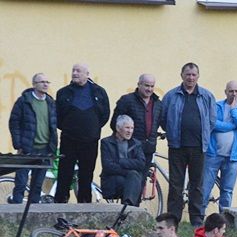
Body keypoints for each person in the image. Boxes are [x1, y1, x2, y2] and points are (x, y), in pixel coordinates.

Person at [160, 62, 217, 227]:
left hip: (199, 147)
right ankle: (173, 219)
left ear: (198, 76)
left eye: (193, 75)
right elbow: (164, 119)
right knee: (176, 184)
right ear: (182, 75)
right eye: (187, 74)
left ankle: (197, 219)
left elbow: (212, 120)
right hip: (177, 146)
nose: (190, 78)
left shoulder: (207, 96)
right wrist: (172, 132)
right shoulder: (171, 96)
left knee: (197, 184)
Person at [55, 63, 110, 203]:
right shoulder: (63, 92)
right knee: (64, 173)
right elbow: (57, 116)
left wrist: (93, 128)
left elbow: (105, 115)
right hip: (69, 140)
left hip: (90, 141)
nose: (74, 73)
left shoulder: (99, 92)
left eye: (78, 71)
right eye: (73, 70)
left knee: (86, 175)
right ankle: (60, 204)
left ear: (87, 74)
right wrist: (69, 127)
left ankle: (85, 204)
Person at [8, 72, 57, 204]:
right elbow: (14, 122)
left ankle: (34, 211)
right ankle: (16, 212)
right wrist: (18, 144)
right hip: (28, 148)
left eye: (47, 82)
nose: (46, 84)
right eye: (42, 82)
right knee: (21, 182)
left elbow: (53, 125)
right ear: (34, 84)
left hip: (45, 149)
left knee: (37, 184)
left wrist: (53, 146)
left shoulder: (51, 102)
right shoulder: (24, 101)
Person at [202, 80, 237, 213]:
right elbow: (211, 123)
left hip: (233, 157)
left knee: (227, 191)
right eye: (231, 91)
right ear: (225, 92)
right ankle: (199, 218)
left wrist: (234, 110)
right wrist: (231, 126)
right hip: (213, 155)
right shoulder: (216, 106)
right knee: (205, 188)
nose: (234, 94)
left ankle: (224, 220)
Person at [110, 73, 162, 167]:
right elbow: (115, 124)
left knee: (142, 179)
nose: (149, 89)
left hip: (148, 149)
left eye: (152, 86)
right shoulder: (126, 100)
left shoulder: (158, 104)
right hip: (130, 149)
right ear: (139, 84)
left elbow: (157, 124)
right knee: (131, 179)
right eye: (146, 85)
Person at [99, 115, 147, 206]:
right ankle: (128, 208)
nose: (130, 131)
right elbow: (108, 166)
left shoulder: (136, 144)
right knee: (134, 177)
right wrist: (128, 172)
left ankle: (127, 205)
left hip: (131, 180)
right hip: (112, 181)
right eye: (127, 128)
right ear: (118, 128)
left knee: (134, 177)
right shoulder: (106, 142)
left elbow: (141, 163)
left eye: (132, 128)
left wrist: (122, 161)